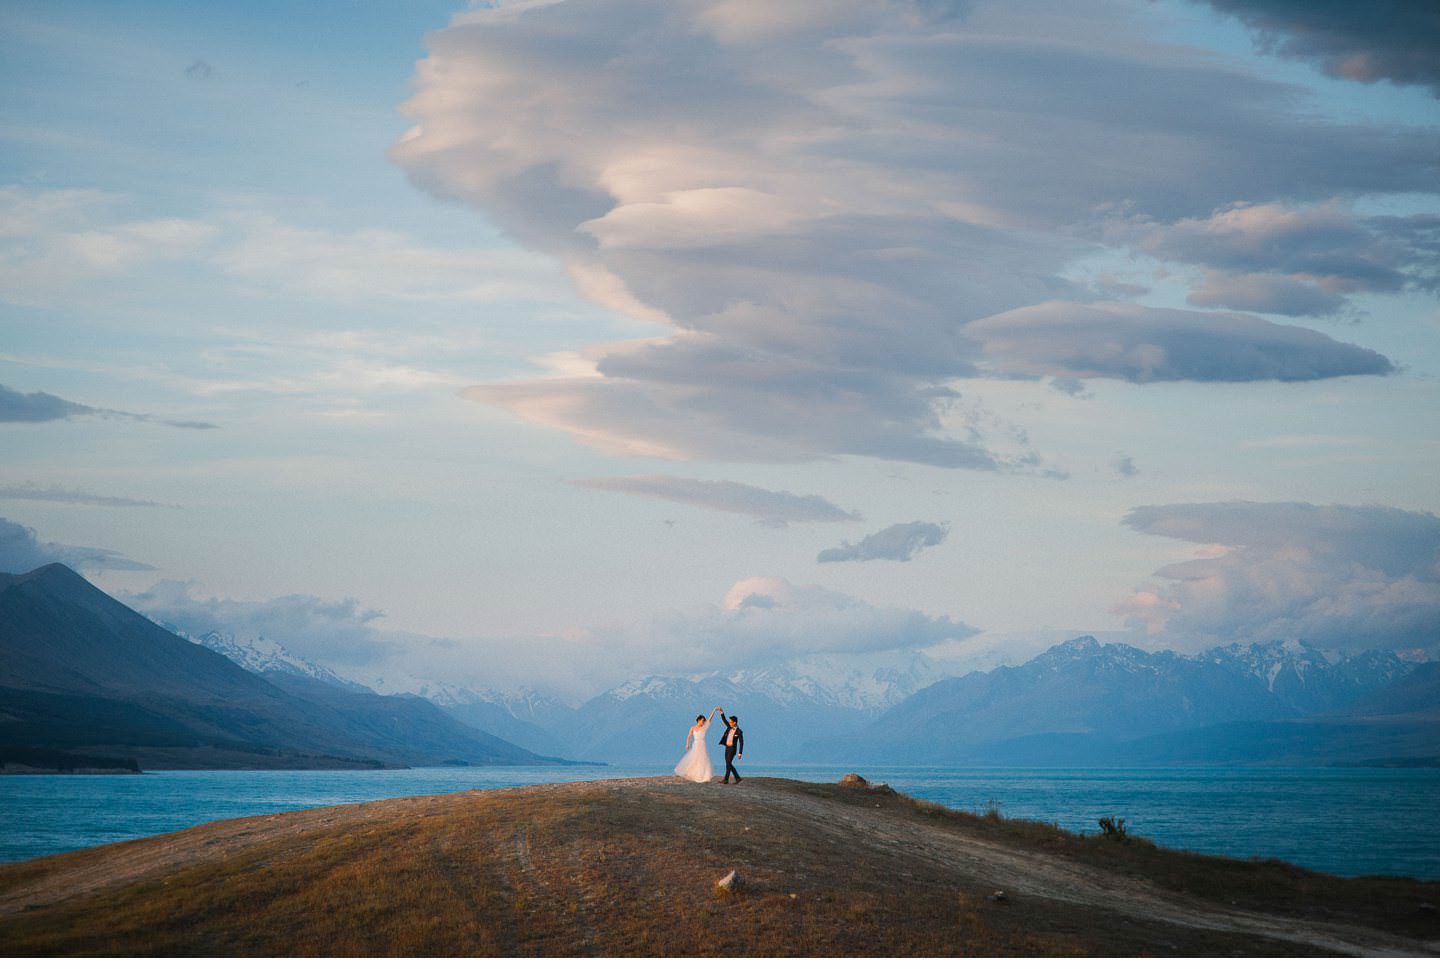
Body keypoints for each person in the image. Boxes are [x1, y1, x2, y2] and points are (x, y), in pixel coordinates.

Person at [674, 706, 722, 783]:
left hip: (702, 744)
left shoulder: (704, 727)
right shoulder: (693, 728)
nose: (703, 722)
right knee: (694, 758)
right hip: (696, 744)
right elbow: (689, 736)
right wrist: (687, 744)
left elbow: (710, 719)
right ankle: (692, 773)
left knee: (703, 759)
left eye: (704, 721)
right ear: (698, 720)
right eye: (702, 721)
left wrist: (714, 710)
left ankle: (703, 775)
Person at [716, 710, 743, 784]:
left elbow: (741, 742)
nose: (729, 723)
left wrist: (740, 753)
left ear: (735, 722)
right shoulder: (729, 727)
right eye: (730, 722)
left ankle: (726, 780)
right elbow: (724, 720)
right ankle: (737, 778)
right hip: (727, 748)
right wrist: (721, 713)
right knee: (728, 763)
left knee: (728, 763)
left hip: (732, 749)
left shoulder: (739, 731)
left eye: (731, 722)